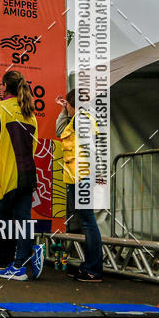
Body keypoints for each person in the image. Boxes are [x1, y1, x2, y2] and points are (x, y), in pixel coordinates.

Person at [0, 70, 44, 281]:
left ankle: (12, 259)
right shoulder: (30, 113)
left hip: (6, 174)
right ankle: (22, 261)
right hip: (28, 173)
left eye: (1, 85)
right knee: (23, 220)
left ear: (4, 86)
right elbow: (35, 145)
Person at [56, 89, 103, 282]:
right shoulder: (80, 118)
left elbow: (90, 149)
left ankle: (93, 269)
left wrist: (92, 174)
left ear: (70, 103)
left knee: (88, 222)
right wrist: (64, 110)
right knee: (86, 221)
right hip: (78, 176)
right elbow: (60, 131)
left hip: (81, 176)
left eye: (66, 104)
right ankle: (89, 267)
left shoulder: (81, 120)